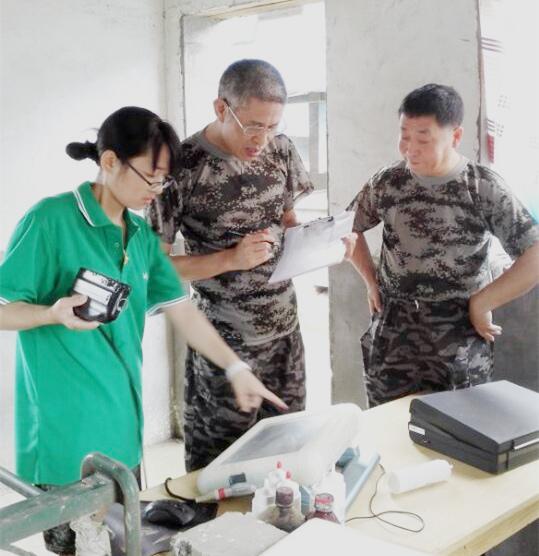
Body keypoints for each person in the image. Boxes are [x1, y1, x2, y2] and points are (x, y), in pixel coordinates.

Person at [0, 106, 286, 555]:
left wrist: (235, 368)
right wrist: (51, 314)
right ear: (110, 161)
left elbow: (182, 311)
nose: (156, 191)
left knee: (127, 546)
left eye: (163, 181)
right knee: (78, 549)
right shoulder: (50, 221)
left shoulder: (139, 236)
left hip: (122, 433)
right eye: (150, 178)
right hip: (65, 436)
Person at [146, 59, 317, 472]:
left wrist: (324, 243)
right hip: (223, 343)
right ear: (221, 108)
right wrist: (230, 259)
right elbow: (153, 268)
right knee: (220, 469)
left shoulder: (281, 150)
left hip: (285, 336)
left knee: (287, 461)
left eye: (272, 126)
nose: (262, 139)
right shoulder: (181, 168)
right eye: (253, 126)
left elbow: (289, 223)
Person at [347, 83, 539, 407]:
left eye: (423, 139)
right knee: (387, 423)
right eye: (404, 136)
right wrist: (370, 281)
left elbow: (533, 256)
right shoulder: (387, 182)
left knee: (459, 426)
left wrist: (482, 302)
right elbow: (347, 230)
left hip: (458, 332)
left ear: (455, 136)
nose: (410, 149)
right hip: (394, 330)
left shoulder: (482, 187)